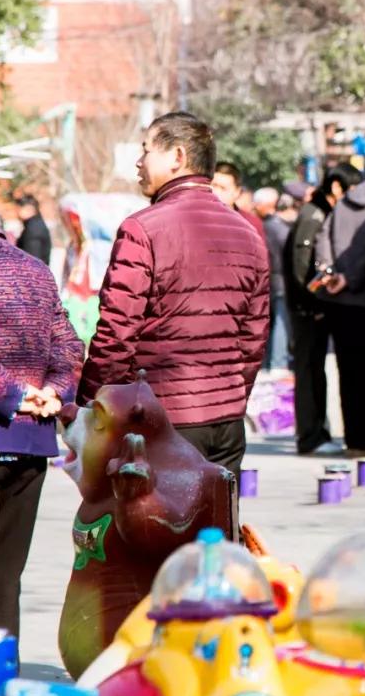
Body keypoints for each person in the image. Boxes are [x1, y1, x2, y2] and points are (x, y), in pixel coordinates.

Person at [78, 112, 269, 486]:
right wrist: (231, 395)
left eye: (146, 150)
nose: (139, 162)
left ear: (177, 156)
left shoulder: (142, 229)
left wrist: (92, 404)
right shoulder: (247, 233)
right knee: (216, 522)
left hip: (164, 419)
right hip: (226, 424)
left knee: (158, 523)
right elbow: (254, 339)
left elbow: (117, 332)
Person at [0, 172, 84, 637]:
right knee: (5, 577)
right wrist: (53, 393)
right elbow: (69, 345)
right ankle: (4, 674)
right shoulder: (35, 269)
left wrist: (15, 394)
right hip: (30, 442)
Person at [312, 162, 365, 456]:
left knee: (349, 374)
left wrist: (331, 273)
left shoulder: (344, 203)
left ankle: (355, 441)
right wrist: (352, 277)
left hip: (339, 303)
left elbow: (322, 240)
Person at [286, 166, 345, 456]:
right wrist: (313, 303)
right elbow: (302, 268)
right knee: (309, 370)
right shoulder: (314, 215)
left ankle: (317, 431)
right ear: (336, 187)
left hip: (311, 307)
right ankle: (311, 436)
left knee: (315, 369)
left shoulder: (320, 212)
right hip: (307, 310)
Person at [262, 193, 296, 371]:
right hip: (280, 280)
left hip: (273, 279)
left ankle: (274, 360)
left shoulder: (269, 225)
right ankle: (278, 361)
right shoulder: (280, 229)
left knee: (277, 321)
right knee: (282, 322)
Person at [211, 161, 266, 241]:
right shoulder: (195, 218)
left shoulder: (251, 224)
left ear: (237, 192)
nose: (216, 192)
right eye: (213, 186)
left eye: (223, 188)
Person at [15, 194, 52, 265]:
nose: (16, 212)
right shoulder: (35, 224)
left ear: (29, 209)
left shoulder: (33, 229)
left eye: (18, 209)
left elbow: (33, 259)